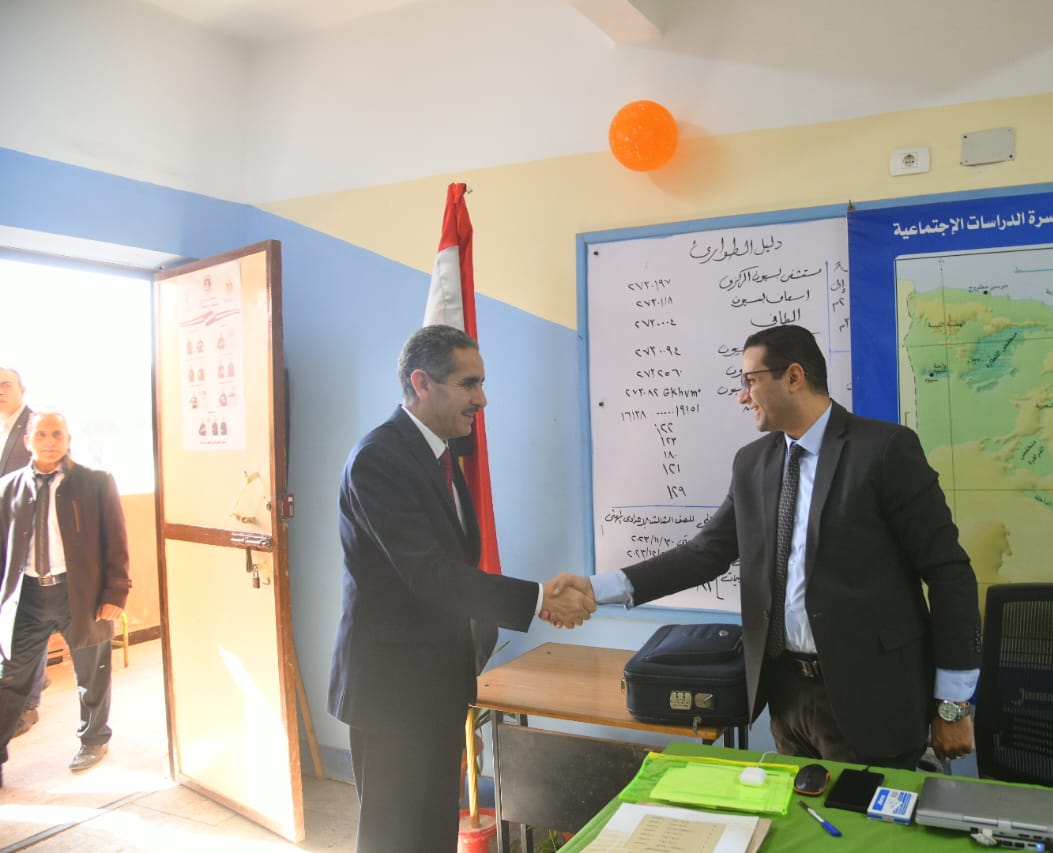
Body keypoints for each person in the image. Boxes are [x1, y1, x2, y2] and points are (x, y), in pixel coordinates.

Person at [576, 324, 981, 770]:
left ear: (793, 377)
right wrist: (596, 589)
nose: (742, 396)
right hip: (787, 697)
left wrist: (953, 704)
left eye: (750, 380)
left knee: (864, 816)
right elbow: (705, 553)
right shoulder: (752, 463)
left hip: (873, 698)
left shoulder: (885, 450)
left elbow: (949, 573)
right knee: (797, 812)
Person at [328, 324, 595, 852]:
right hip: (392, 693)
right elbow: (429, 573)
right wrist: (539, 599)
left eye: (482, 383)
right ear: (421, 383)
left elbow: (454, 565)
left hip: (436, 685)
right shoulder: (379, 459)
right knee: (393, 839)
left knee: (431, 835)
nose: (482, 399)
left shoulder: (441, 456)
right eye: (469, 384)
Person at [0, 411, 131, 786]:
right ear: (28, 441)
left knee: (92, 673)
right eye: (41, 434)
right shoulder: (7, 487)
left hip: (80, 593)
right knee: (9, 678)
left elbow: (116, 541)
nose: (49, 441)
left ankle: (93, 740)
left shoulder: (96, 482)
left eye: (57, 433)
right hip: (26, 597)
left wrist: (115, 592)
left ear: (68, 439)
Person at [0, 368, 46, 737]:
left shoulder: (35, 426)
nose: (0, 391)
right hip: (4, 537)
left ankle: (28, 704)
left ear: (22, 389)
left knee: (29, 621)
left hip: (27, 540)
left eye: (5, 384)